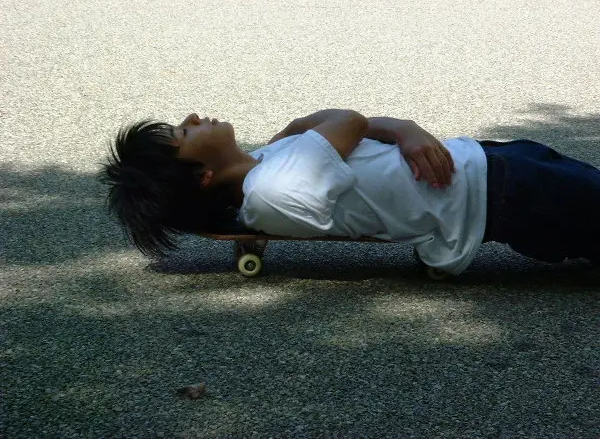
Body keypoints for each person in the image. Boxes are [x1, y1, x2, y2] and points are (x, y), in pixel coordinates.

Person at [100, 109, 600, 275]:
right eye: (184, 135)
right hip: (498, 194)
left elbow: (317, 125)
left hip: (486, 164)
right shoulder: (275, 185)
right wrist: (400, 127)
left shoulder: (268, 160)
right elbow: (350, 121)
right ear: (202, 177)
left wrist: (399, 131)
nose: (190, 119)